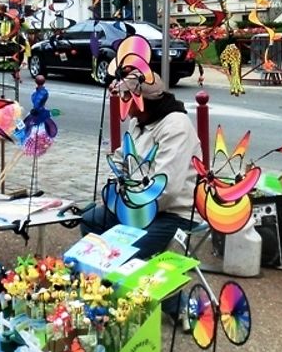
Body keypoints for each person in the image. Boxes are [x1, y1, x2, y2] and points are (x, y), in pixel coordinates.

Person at [80, 71, 202, 260]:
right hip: (133, 206)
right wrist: (115, 194)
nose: (122, 101)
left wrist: (130, 212)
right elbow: (121, 160)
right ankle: (99, 279)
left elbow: (166, 190)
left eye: (126, 96)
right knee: (91, 221)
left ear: (141, 101)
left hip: (172, 214)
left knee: (121, 248)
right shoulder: (138, 121)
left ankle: (127, 282)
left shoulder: (176, 126)